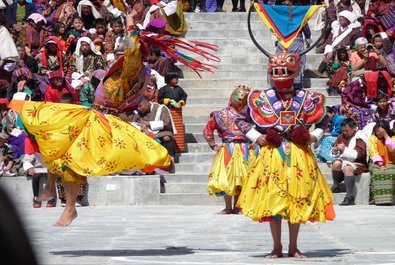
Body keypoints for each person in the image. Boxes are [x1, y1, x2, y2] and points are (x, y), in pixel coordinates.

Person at [9, 9, 217, 227]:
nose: (120, 49)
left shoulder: (133, 68)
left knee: (67, 154)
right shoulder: (131, 70)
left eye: (125, 47)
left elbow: (132, 50)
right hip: (93, 115)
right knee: (56, 140)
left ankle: (68, 207)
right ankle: (53, 190)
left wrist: (129, 22)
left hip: (101, 120)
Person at [235, 4, 335, 258]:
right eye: (277, 72)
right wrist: (259, 137)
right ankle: (277, 247)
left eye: (286, 71)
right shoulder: (260, 98)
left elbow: (324, 121)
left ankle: (293, 246)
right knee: (274, 202)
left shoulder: (308, 98)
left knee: (297, 201)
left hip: (299, 155)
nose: (281, 75)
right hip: (272, 154)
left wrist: (314, 136)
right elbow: (242, 121)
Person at [203, 85, 251, 214]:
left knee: (243, 178)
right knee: (226, 178)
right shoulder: (220, 114)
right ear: (232, 96)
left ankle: (238, 206)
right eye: (239, 95)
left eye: (244, 96)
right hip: (227, 148)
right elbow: (208, 130)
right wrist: (213, 145)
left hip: (245, 148)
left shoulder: (251, 115)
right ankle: (228, 207)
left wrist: (256, 143)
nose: (241, 98)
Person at [331, 118, 369, 205]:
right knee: (336, 163)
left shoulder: (360, 137)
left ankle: (349, 196)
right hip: (345, 160)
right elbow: (335, 146)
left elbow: (359, 154)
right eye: (343, 130)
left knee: (348, 168)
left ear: (354, 127)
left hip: (358, 163)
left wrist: (344, 150)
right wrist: (335, 150)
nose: (345, 132)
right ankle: (336, 185)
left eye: (347, 130)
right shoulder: (342, 136)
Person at [158, 72, 188, 153]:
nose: (177, 80)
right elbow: (159, 99)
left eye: (177, 78)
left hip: (177, 113)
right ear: (169, 79)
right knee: (169, 129)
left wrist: (180, 102)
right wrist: (168, 101)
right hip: (167, 112)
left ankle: (180, 148)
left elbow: (184, 97)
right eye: (175, 78)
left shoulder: (179, 89)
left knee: (178, 130)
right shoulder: (163, 89)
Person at [368, 120, 395, 205]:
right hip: (376, 163)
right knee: (377, 172)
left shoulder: (392, 138)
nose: (378, 133)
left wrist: (386, 136)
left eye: (381, 132)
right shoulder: (373, 138)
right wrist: (380, 164)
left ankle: (389, 198)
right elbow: (373, 151)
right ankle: (376, 198)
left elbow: (392, 148)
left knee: (391, 172)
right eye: (377, 131)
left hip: (390, 162)